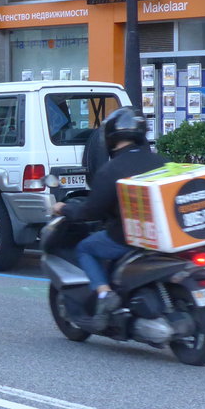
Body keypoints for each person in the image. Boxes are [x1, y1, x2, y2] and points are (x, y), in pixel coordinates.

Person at [53, 106, 170, 326]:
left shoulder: (111, 170)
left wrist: (64, 208)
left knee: (85, 248)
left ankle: (105, 294)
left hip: (128, 238)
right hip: (163, 236)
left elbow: (91, 211)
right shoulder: (162, 162)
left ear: (111, 137)